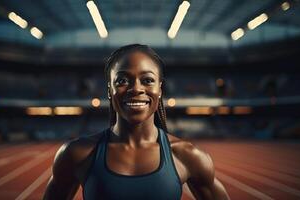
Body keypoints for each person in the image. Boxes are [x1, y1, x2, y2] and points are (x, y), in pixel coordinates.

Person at [43, 44, 230, 200]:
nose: (136, 89)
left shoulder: (188, 156)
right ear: (110, 90)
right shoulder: (76, 154)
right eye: (122, 80)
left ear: (160, 89)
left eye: (147, 80)